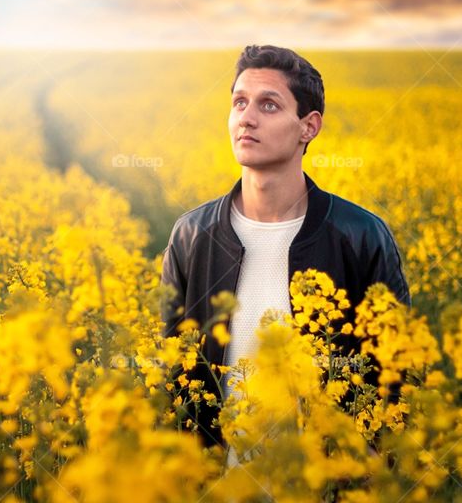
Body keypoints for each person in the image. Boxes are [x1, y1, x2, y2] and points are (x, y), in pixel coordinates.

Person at [160, 44, 411, 450]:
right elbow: (172, 374)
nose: (247, 118)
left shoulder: (361, 235)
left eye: (269, 105)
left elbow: (394, 376)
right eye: (239, 102)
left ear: (308, 127)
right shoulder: (191, 235)